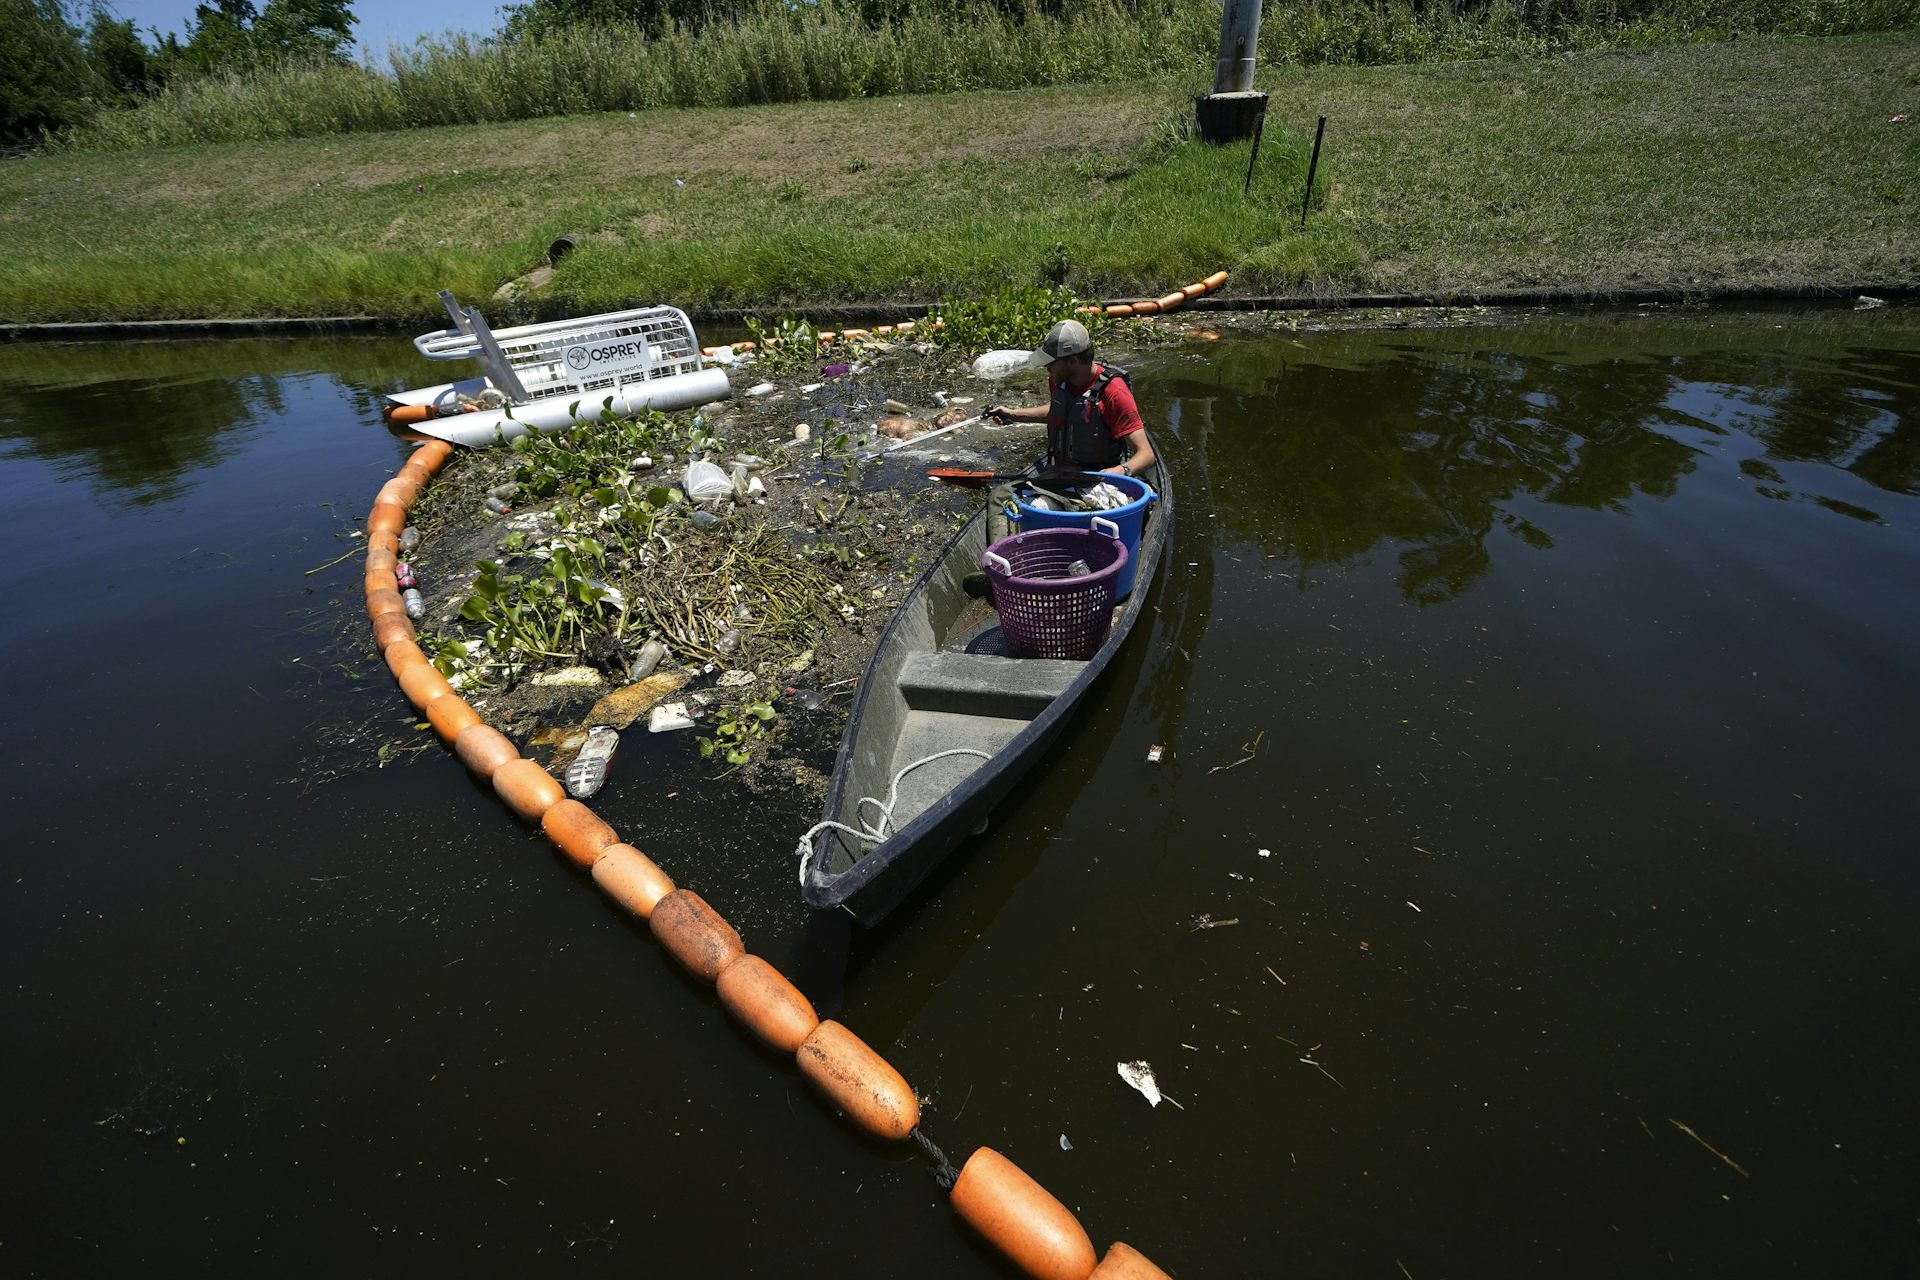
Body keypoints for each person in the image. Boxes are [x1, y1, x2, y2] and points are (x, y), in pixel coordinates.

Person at [986, 319, 1157, 480]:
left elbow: (1147, 454)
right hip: (1060, 474)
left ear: (1073, 361)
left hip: (1096, 480)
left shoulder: (1114, 392)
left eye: (1051, 363)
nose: (1047, 368)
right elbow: (1059, 411)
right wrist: (1014, 414)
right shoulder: (1059, 380)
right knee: (1001, 498)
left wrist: (1121, 471)